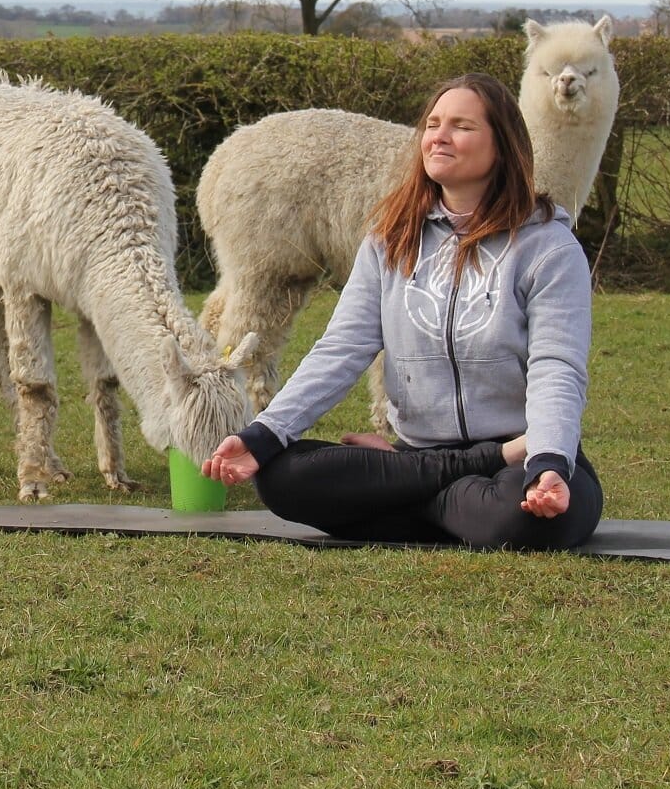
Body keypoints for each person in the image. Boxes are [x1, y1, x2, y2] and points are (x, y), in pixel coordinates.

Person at [202, 73, 603, 550]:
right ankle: (442, 492)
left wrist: (550, 462)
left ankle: (404, 489)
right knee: (280, 477)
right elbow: (341, 349)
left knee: (530, 518)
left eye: (461, 126)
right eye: (433, 124)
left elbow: (557, 367)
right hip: (425, 452)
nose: (439, 136)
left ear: (503, 146)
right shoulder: (390, 241)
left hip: (523, 456)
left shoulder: (549, 248)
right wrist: (266, 434)